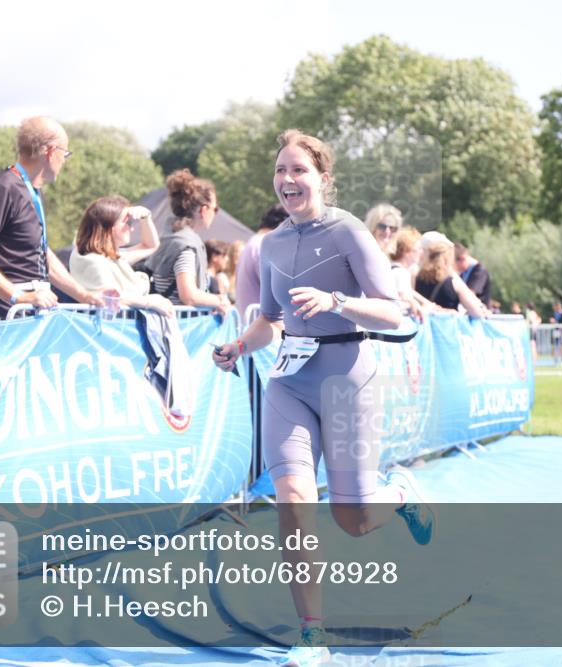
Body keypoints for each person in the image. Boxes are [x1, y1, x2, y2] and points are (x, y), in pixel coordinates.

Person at [212, 129, 434, 667]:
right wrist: (241, 345)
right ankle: (312, 636)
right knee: (293, 498)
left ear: (323, 179)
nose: (288, 181)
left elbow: (393, 311)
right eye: (281, 172)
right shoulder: (269, 245)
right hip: (290, 379)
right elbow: (269, 320)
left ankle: (400, 492)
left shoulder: (350, 232)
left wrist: (336, 299)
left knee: (352, 519)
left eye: (299, 171)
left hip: (346, 376)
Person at [0, 116, 104, 316]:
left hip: (32, 311)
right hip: (6, 316)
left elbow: (42, 254)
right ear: (51, 151)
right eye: (66, 153)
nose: (65, 161)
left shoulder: (33, 192)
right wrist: (17, 295)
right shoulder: (2, 187)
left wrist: (85, 295)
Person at [68, 195, 174, 316]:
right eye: (127, 222)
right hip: (108, 329)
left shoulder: (110, 257)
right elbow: (111, 297)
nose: (132, 228)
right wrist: (150, 302)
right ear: (110, 227)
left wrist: (145, 217)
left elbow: (150, 245)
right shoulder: (93, 260)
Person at [145, 169, 230, 315]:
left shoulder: (169, 236)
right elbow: (189, 296)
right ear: (204, 210)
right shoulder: (186, 246)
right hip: (181, 327)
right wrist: (220, 300)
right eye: (215, 209)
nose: (215, 213)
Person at [235, 203, 287, 316]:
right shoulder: (264, 245)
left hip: (253, 323)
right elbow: (278, 292)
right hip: (262, 325)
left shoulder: (254, 242)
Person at [415, 241, 488, 317]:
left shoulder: (418, 277)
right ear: (448, 259)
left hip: (424, 325)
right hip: (447, 325)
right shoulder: (453, 282)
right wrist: (461, 314)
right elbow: (476, 313)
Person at [387, 225, 433, 322]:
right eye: (419, 249)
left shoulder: (393, 269)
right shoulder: (401, 273)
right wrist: (420, 306)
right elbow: (403, 299)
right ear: (406, 251)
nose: (421, 253)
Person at [454, 242, 491, 306]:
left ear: (462, 259)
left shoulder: (479, 271)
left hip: (479, 314)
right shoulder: (463, 272)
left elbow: (470, 295)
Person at [225, 239, 243, 304]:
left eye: (241, 252)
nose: (238, 255)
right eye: (236, 251)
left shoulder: (246, 277)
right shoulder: (223, 275)